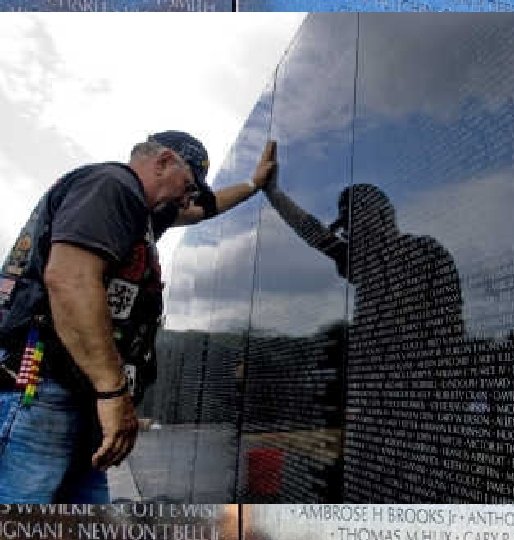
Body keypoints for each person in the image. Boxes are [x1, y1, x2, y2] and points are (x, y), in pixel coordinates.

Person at [0, 132, 276, 503]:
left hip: (86, 393)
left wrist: (253, 185)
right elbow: (70, 279)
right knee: (25, 516)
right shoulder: (110, 187)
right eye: (188, 184)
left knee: (82, 519)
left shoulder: (139, 212)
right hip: (48, 387)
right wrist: (113, 391)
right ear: (163, 161)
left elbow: (202, 210)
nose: (187, 197)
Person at [263, 177, 466, 500]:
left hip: (423, 412)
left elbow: (452, 329)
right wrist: (274, 194)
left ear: (380, 218)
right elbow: (314, 232)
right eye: (346, 228)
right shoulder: (362, 262)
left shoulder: (427, 252)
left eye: (353, 225)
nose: (347, 234)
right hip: (374, 412)